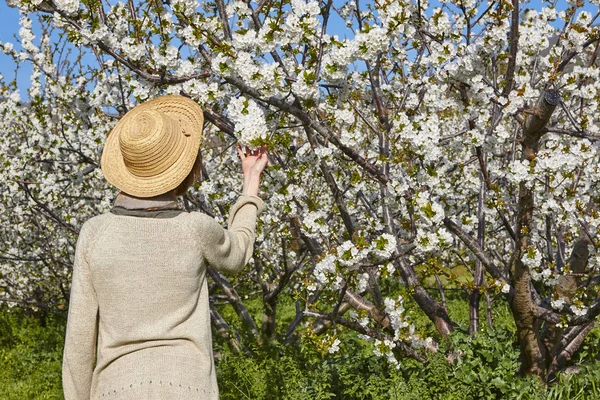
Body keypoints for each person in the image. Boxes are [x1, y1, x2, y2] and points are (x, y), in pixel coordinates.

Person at [62, 95, 268, 399]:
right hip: (188, 387)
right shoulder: (195, 228)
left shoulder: (95, 234)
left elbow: (79, 344)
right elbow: (238, 253)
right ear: (184, 168)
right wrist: (251, 182)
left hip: (115, 389)